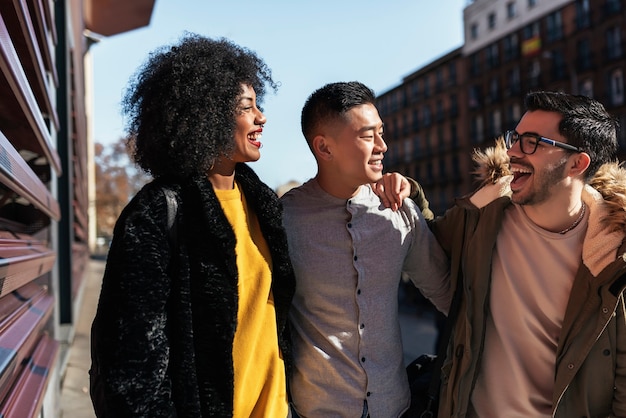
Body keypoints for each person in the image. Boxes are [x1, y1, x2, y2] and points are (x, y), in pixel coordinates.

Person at [89, 34, 296, 417]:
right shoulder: (156, 213)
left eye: (258, 105)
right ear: (207, 116)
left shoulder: (265, 204)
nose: (261, 117)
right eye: (247, 107)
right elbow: (132, 362)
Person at [427, 91, 626, 417]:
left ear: (577, 163)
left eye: (532, 142)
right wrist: (406, 192)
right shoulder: (480, 214)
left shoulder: (615, 255)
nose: (512, 151)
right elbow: (423, 241)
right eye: (515, 138)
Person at [281, 81, 451, 417]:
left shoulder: (400, 212)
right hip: (317, 410)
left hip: (394, 407)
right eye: (368, 135)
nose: (383, 146)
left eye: (382, 133)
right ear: (324, 148)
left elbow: (449, 294)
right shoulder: (285, 220)